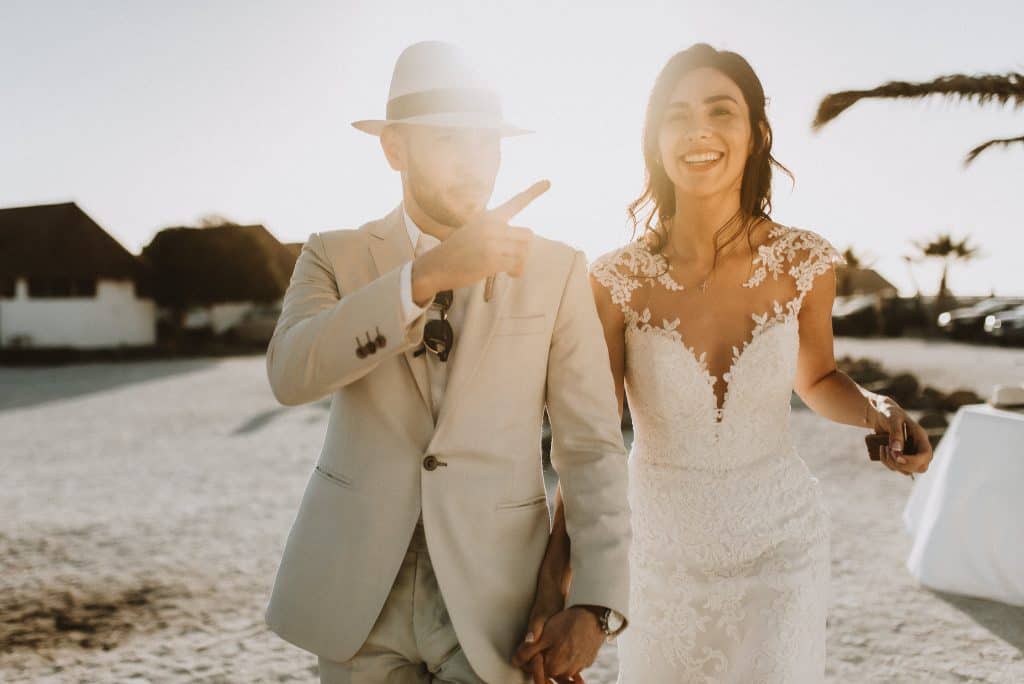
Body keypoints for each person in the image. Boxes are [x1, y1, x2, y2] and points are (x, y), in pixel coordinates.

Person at [515, 43, 934, 683]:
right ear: (654, 139)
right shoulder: (615, 280)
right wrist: (558, 576)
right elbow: (592, 438)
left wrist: (879, 410)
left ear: (757, 132)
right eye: (677, 115)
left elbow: (818, 380)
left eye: (721, 110)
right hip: (659, 550)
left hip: (780, 541)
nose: (700, 129)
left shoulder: (806, 263)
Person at [263, 41, 630, 683]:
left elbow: (592, 445)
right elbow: (291, 373)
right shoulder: (332, 255)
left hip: (499, 606)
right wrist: (422, 278)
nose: (475, 163)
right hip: (356, 601)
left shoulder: (558, 269)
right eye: (449, 141)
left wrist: (594, 603)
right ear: (394, 150)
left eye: (487, 144)